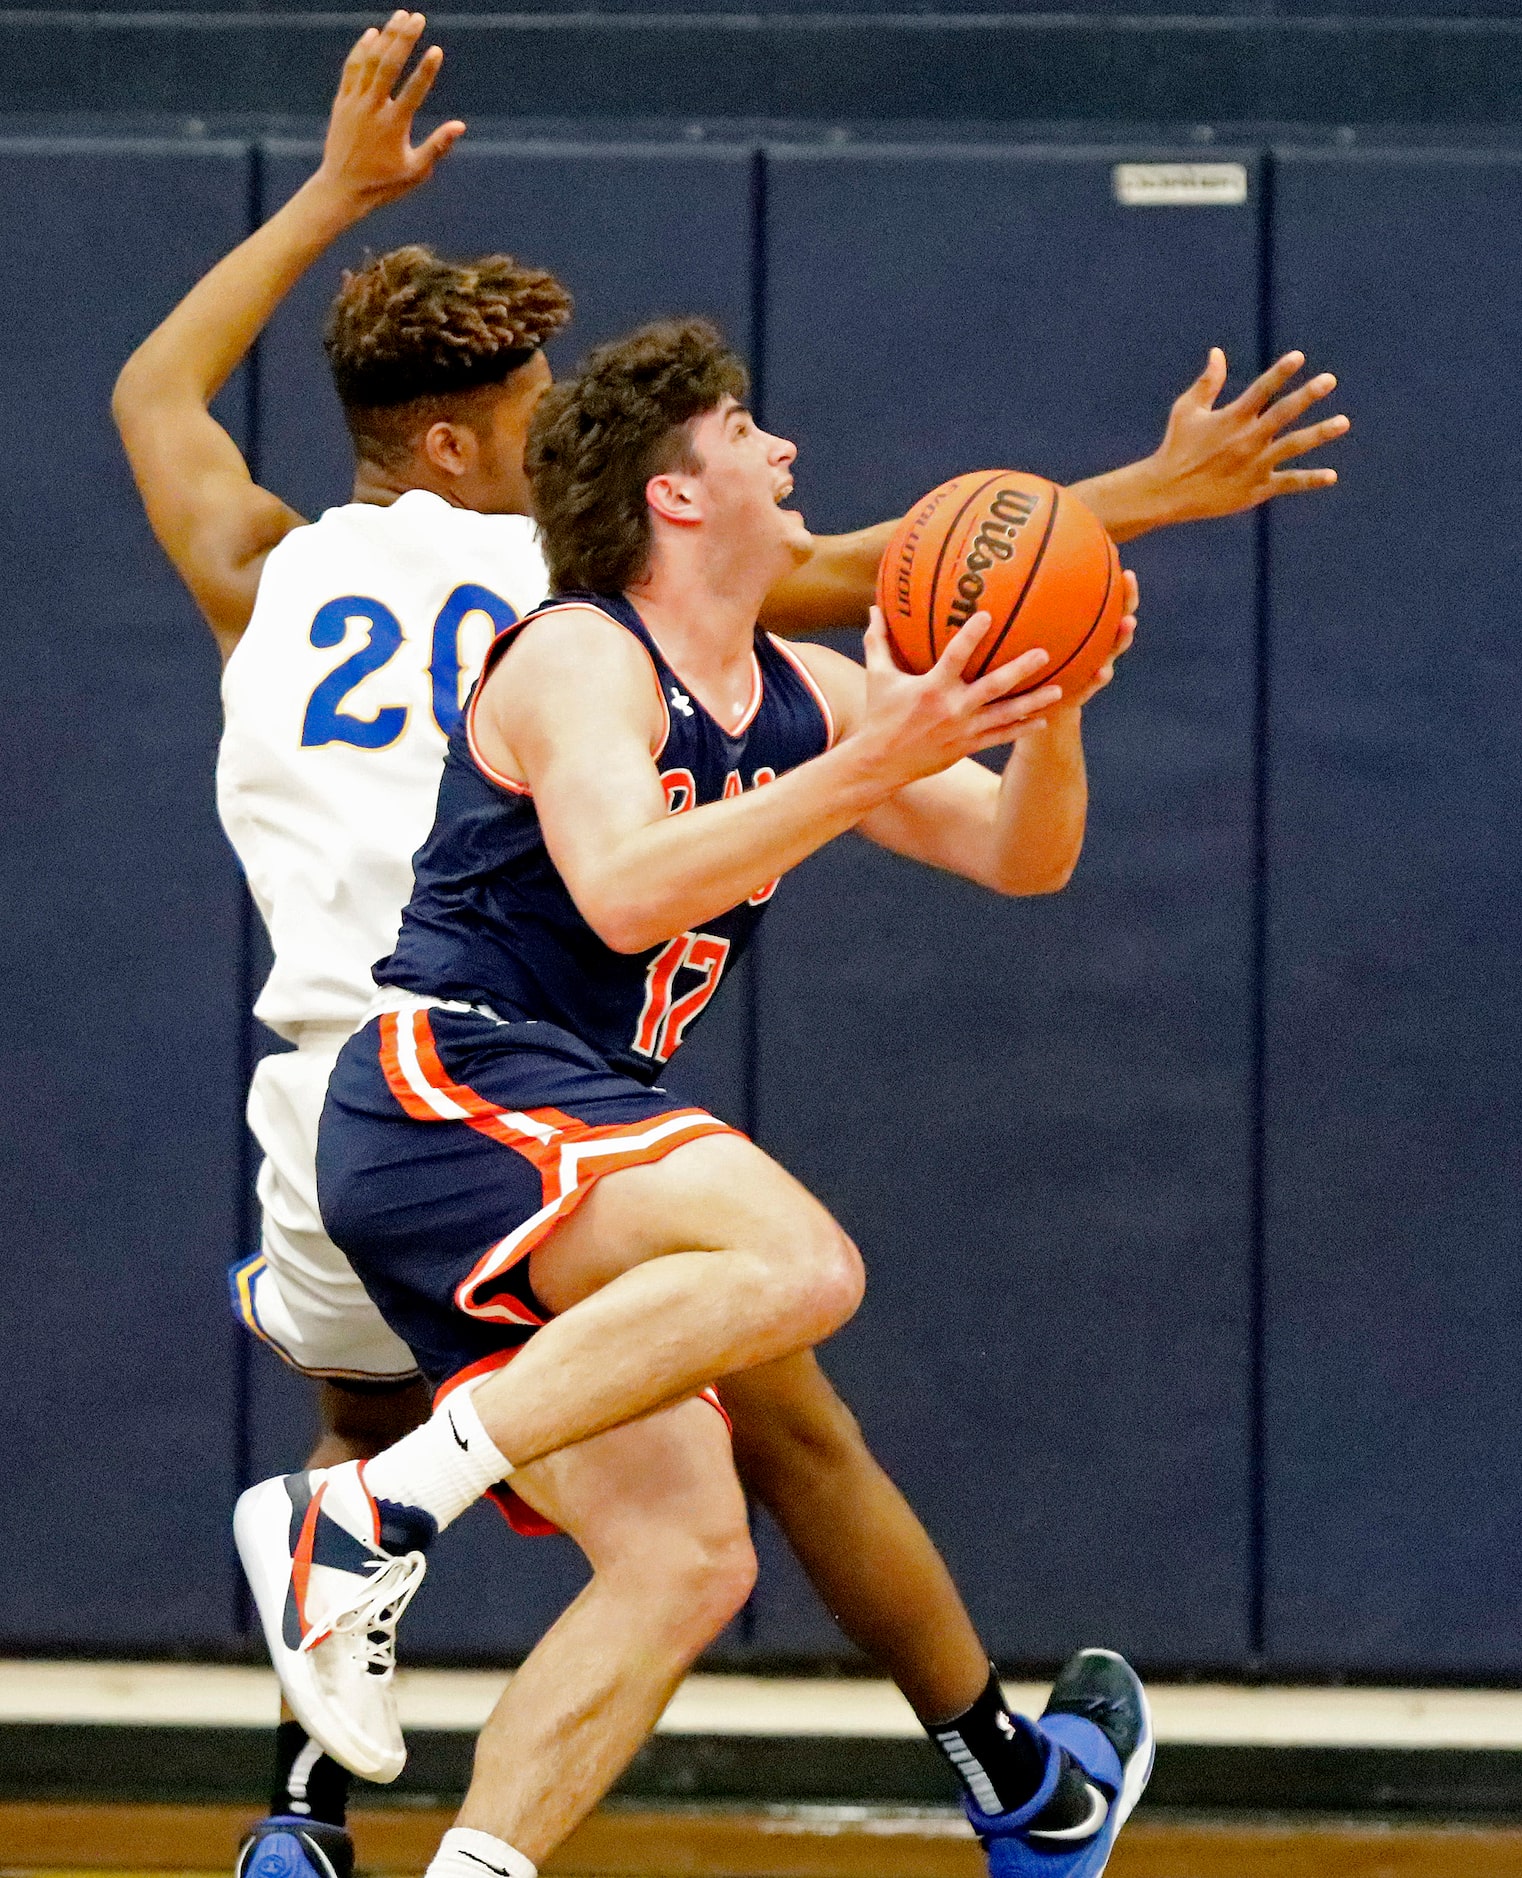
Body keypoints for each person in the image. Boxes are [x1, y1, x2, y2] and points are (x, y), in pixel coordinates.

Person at [108, 15, 1352, 1877]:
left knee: (680, 1536)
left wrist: (335, 197)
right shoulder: (574, 599)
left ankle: (324, 1818)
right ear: (477, 450)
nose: (558, 450)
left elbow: (151, 395)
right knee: (790, 1345)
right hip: (464, 1061)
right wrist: (1140, 498)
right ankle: (1007, 1767)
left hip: (339, 1122)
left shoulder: (268, 567)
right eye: (532, 423)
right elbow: (898, 559)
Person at [238, 311, 1151, 1878]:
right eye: (747, 433)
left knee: (686, 1556)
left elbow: (1021, 854)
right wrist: (879, 758)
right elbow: (617, 889)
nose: (785, 451)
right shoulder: (579, 649)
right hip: (447, 1084)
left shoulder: (805, 690)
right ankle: (368, 1512)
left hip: (553, 1130)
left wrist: (1042, 698)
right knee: (800, 1263)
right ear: (673, 494)